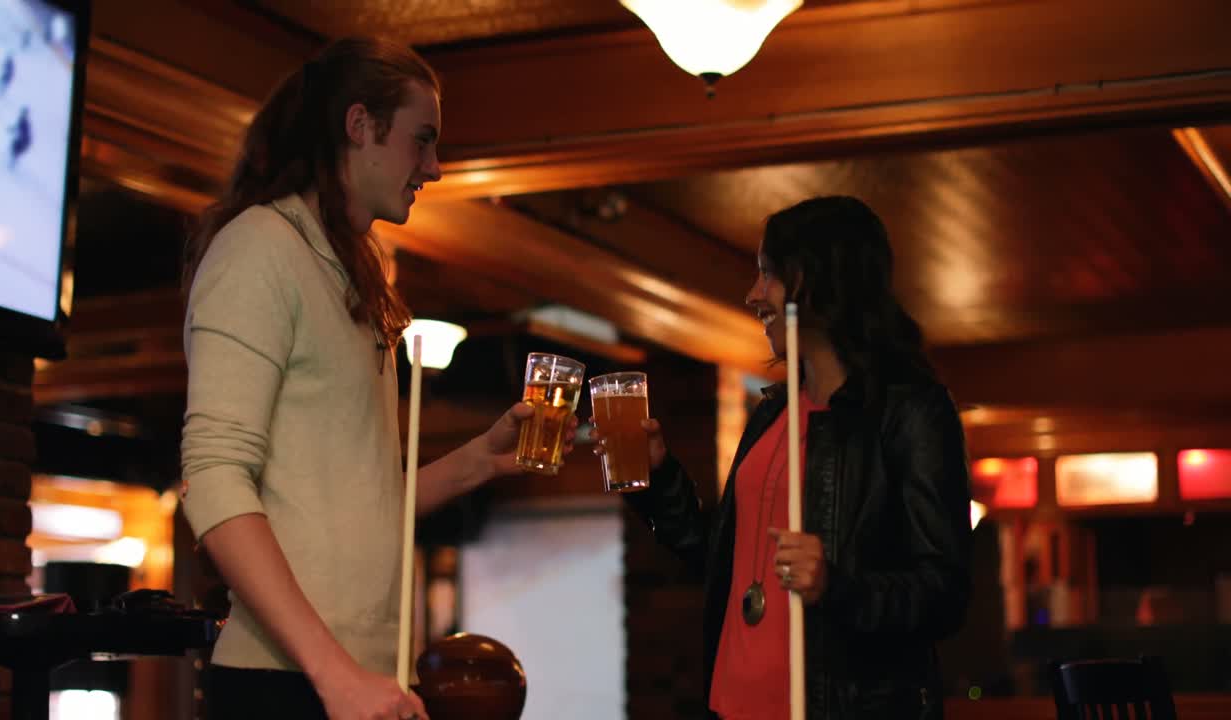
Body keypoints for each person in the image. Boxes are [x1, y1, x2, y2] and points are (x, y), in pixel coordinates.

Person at [179, 37, 565, 720]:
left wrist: (480, 460)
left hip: (347, 678)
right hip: (287, 683)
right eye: (422, 141)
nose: (436, 167)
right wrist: (335, 676)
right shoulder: (260, 247)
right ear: (359, 126)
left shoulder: (348, 270)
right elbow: (211, 477)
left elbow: (358, 503)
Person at [607, 196, 973, 719]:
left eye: (768, 275)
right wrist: (658, 477)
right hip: (733, 706)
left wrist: (836, 585)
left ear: (819, 279)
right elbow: (723, 561)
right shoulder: (773, 412)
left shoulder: (908, 409)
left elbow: (944, 593)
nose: (753, 295)